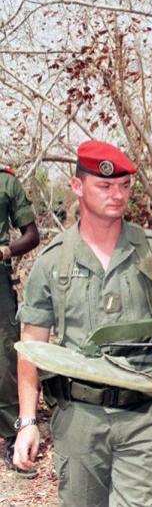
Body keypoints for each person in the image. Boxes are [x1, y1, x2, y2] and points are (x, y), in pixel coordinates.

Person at [13, 140, 152, 506]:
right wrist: (27, 421)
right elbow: (30, 349)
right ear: (77, 186)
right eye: (104, 185)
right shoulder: (52, 263)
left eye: (124, 185)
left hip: (142, 414)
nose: (117, 195)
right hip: (78, 418)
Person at [0, 164, 39, 477]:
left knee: (4, 357)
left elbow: (31, 235)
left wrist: (4, 251)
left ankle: (14, 435)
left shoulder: (6, 182)